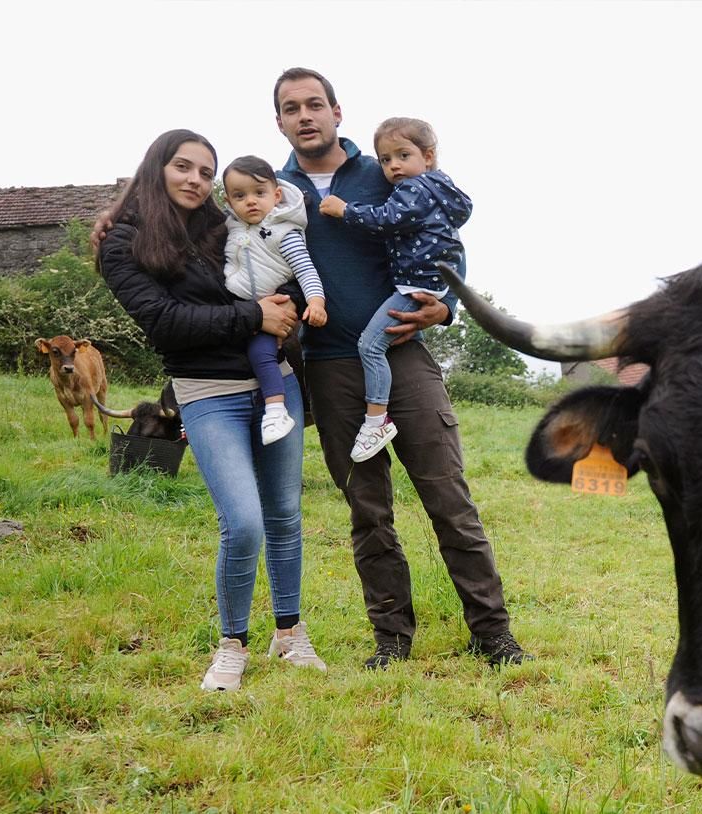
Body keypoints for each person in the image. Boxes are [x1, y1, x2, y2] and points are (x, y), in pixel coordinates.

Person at [273, 68, 532, 669]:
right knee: (368, 511)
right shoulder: (274, 189)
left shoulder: (384, 170)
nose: (305, 115)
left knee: (449, 500)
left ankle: (493, 634)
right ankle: (391, 641)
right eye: (292, 108)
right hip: (330, 367)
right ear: (279, 122)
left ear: (339, 113)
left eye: (316, 104)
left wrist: (445, 308)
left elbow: (448, 241)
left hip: (402, 355)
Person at [96, 129, 325, 692]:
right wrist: (254, 318)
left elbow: (282, 256)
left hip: (278, 384)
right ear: (157, 168)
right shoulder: (123, 243)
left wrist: (290, 304)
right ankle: (231, 645)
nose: (195, 180)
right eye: (184, 167)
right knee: (243, 523)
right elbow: (165, 323)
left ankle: (290, 634)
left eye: (205, 171)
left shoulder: (225, 226)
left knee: (285, 517)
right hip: (206, 393)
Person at [318, 117, 470, 463]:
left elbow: (386, 219)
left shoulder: (414, 189)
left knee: (369, 346)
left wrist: (344, 210)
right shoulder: (439, 190)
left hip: (413, 288)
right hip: (427, 283)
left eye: (403, 155)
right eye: (386, 160)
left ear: (428, 156)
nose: (393, 166)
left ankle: (376, 420)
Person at [222, 155, 327, 445]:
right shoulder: (232, 229)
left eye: (259, 193)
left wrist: (315, 301)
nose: (251, 201)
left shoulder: (285, 232)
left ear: (276, 195)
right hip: (238, 310)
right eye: (240, 196)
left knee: (261, 354)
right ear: (229, 203)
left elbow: (305, 269)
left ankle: (276, 410)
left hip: (269, 312)